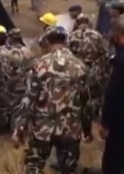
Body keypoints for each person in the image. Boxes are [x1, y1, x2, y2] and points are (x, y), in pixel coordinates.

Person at [13, 26, 86, 174]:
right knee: (68, 169)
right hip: (70, 129)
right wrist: (87, 128)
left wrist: (20, 127)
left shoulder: (39, 64)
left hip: (42, 129)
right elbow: (85, 99)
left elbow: (29, 98)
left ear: (47, 41)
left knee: (33, 167)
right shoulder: (79, 65)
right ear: (65, 41)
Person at [101, 17, 124, 174]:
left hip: (120, 120)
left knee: (113, 161)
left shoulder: (121, 60)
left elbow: (114, 93)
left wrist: (105, 123)